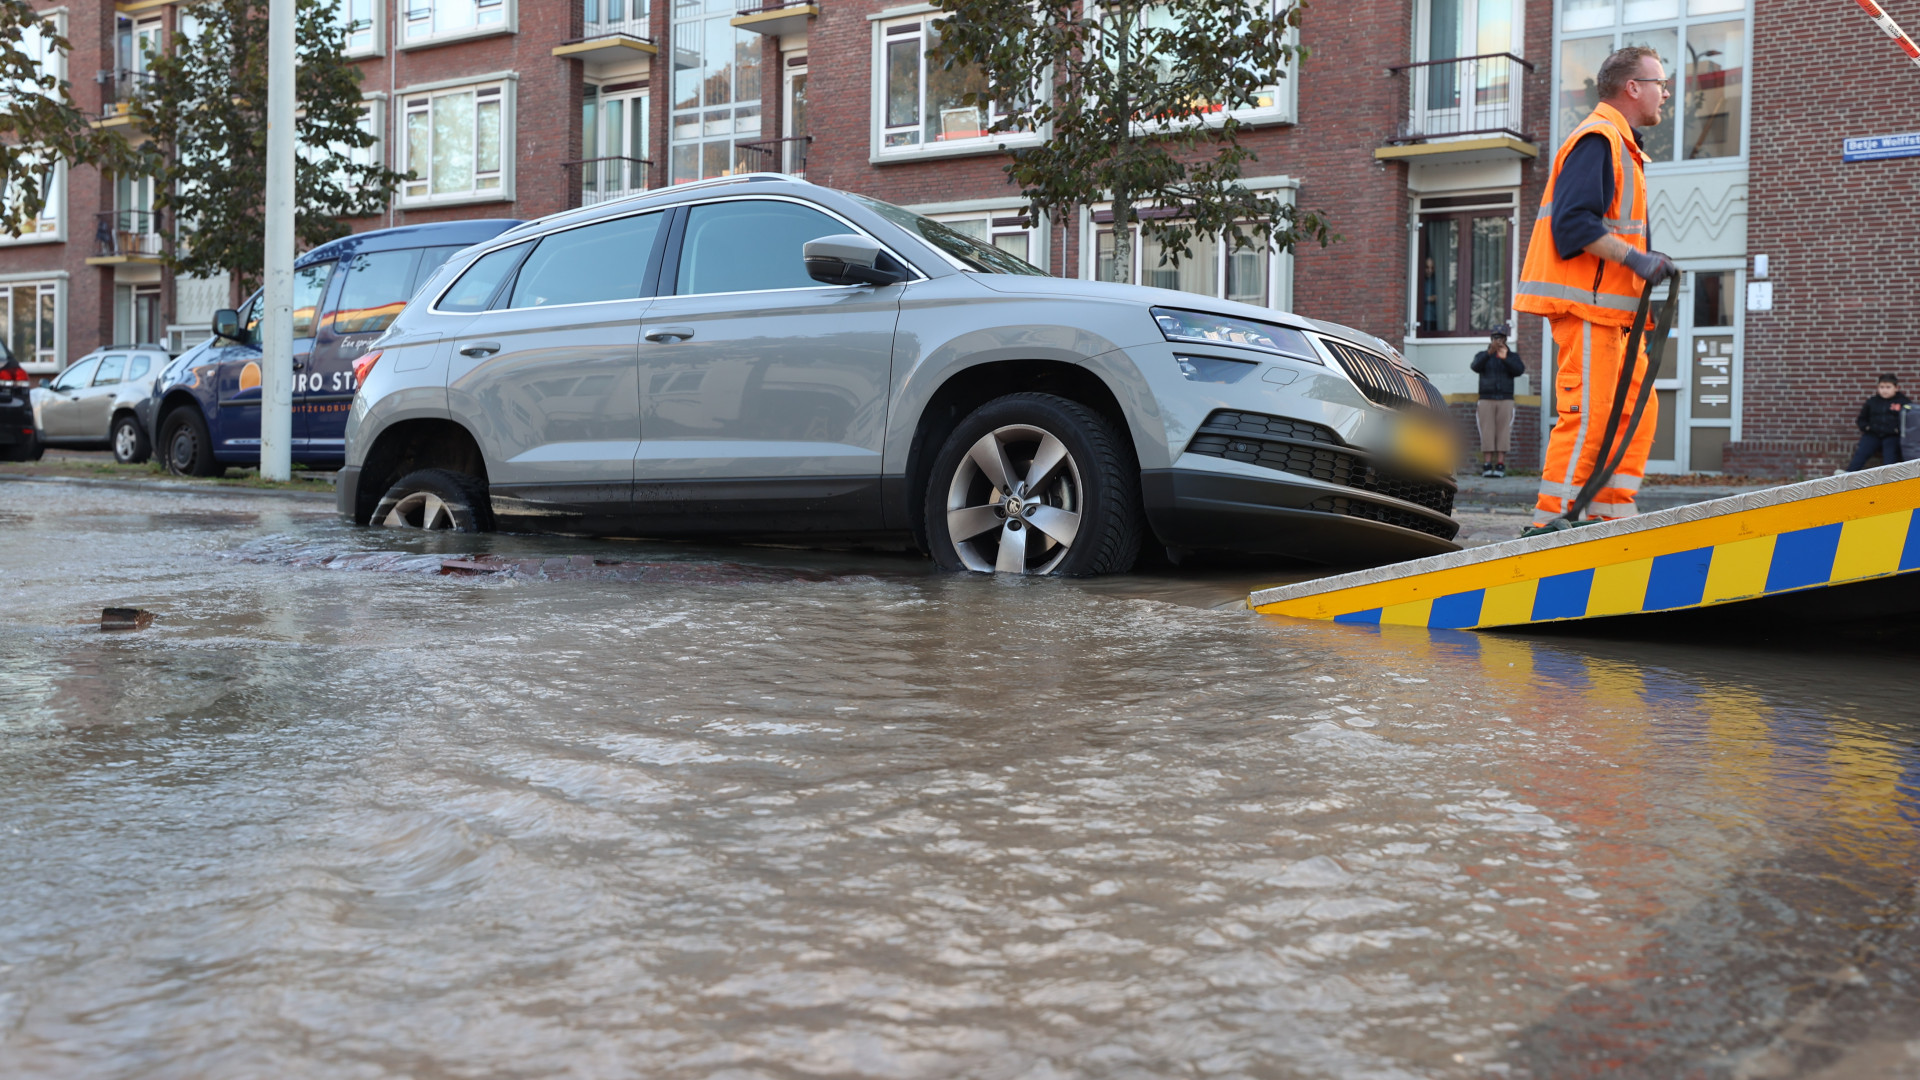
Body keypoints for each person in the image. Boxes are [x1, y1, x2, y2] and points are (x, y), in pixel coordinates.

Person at [1514, 46, 1677, 527]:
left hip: (1615, 318)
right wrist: (1637, 258)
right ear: (1633, 87)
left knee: (1635, 415)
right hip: (1589, 312)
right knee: (1589, 418)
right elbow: (1573, 226)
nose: (1665, 93)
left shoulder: (1622, 145)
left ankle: (1605, 518)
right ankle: (1552, 525)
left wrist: (1646, 258)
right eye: (1660, 83)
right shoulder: (1598, 139)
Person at [1470, 324, 1526, 477]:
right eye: (1495, 337)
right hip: (1486, 398)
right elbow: (1475, 366)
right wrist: (1490, 352)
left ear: (1505, 339)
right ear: (1491, 338)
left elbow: (1519, 370)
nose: (1498, 340)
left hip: (1505, 399)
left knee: (1504, 432)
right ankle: (1487, 465)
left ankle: (1500, 465)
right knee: (1487, 431)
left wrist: (1505, 358)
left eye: (1500, 337)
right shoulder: (1483, 354)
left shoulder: (1512, 356)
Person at [1846, 374, 1910, 471]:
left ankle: (1890, 482)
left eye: (1888, 387)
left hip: (1892, 435)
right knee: (1861, 453)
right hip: (1873, 434)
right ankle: (1847, 476)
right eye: (1881, 387)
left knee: (1890, 459)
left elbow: (1909, 419)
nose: (1884, 390)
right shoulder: (1872, 402)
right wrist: (1867, 427)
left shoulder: (1903, 402)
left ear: (1896, 388)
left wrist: (1898, 430)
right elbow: (1861, 419)